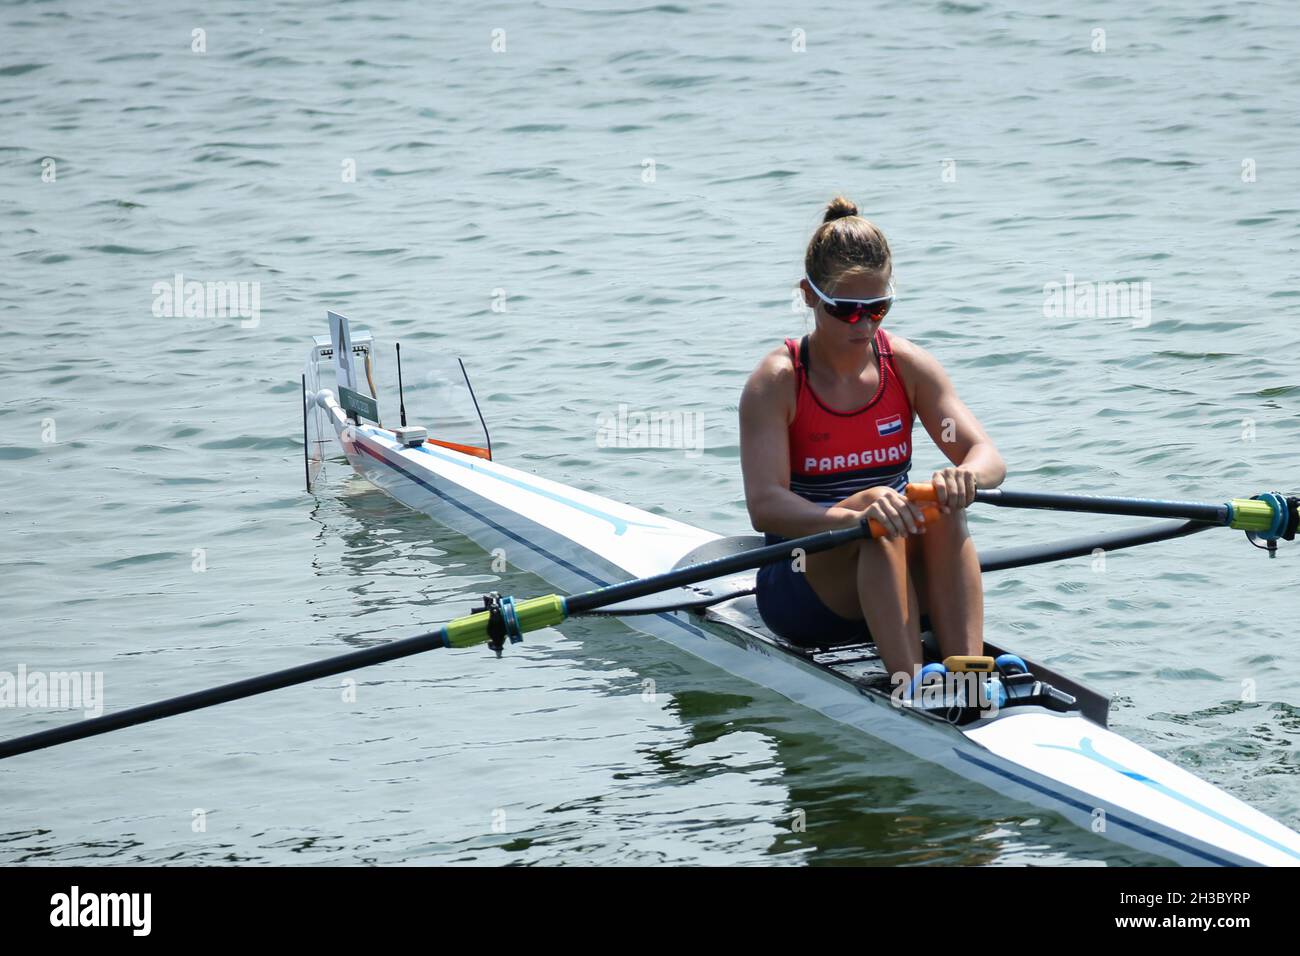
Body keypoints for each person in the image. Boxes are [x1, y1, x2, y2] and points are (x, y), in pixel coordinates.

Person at [739, 196, 1006, 686]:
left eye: (877, 308)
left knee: (939, 502)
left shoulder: (906, 366)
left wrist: (964, 476)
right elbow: (766, 506)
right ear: (809, 295)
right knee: (884, 507)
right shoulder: (778, 381)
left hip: (895, 572)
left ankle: (966, 672)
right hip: (803, 589)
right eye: (846, 310)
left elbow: (986, 456)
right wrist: (854, 519)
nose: (864, 324)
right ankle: (912, 686)